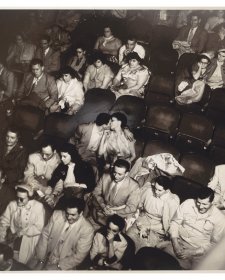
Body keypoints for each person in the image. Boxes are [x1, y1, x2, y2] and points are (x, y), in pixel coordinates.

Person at [164, 187, 225, 269]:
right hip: (179, 243)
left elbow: (214, 244)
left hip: (199, 253)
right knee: (163, 261)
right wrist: (175, 244)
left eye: (205, 204)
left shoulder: (219, 218)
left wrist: (192, 252)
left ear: (212, 202)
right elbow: (175, 222)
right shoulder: (188, 203)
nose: (200, 207)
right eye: (198, 202)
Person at [30, 198, 94, 270]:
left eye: (73, 215)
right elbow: (45, 235)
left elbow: (79, 256)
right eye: (67, 213)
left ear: (81, 213)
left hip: (65, 264)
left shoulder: (87, 229)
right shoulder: (56, 215)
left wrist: (58, 266)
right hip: (45, 256)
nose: (69, 217)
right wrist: (41, 259)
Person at [127, 176, 180, 253]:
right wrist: (137, 216)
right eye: (155, 188)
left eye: (159, 190)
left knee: (144, 247)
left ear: (167, 190)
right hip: (142, 220)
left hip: (158, 227)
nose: (156, 192)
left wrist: (149, 227)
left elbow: (168, 225)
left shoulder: (172, 201)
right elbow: (139, 205)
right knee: (129, 238)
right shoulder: (148, 191)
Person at [0, 184, 45, 265]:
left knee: (21, 263)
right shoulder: (12, 204)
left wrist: (20, 233)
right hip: (12, 237)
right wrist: (3, 235)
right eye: (17, 198)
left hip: (29, 238)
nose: (18, 201)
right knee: (7, 260)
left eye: (22, 199)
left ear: (29, 198)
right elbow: (4, 221)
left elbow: (38, 228)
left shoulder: (38, 207)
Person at [90, 159, 140, 227]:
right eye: (114, 172)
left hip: (119, 213)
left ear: (126, 174)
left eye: (120, 174)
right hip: (102, 208)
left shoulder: (134, 186)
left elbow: (132, 207)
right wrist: (103, 206)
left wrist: (115, 212)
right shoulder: (105, 176)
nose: (116, 176)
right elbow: (96, 192)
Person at [45, 143, 95, 209]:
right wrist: (50, 187)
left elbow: (91, 185)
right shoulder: (62, 166)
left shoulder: (85, 166)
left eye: (64, 156)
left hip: (80, 197)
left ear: (72, 155)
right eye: (61, 156)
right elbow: (54, 178)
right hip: (66, 195)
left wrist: (74, 185)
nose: (62, 159)